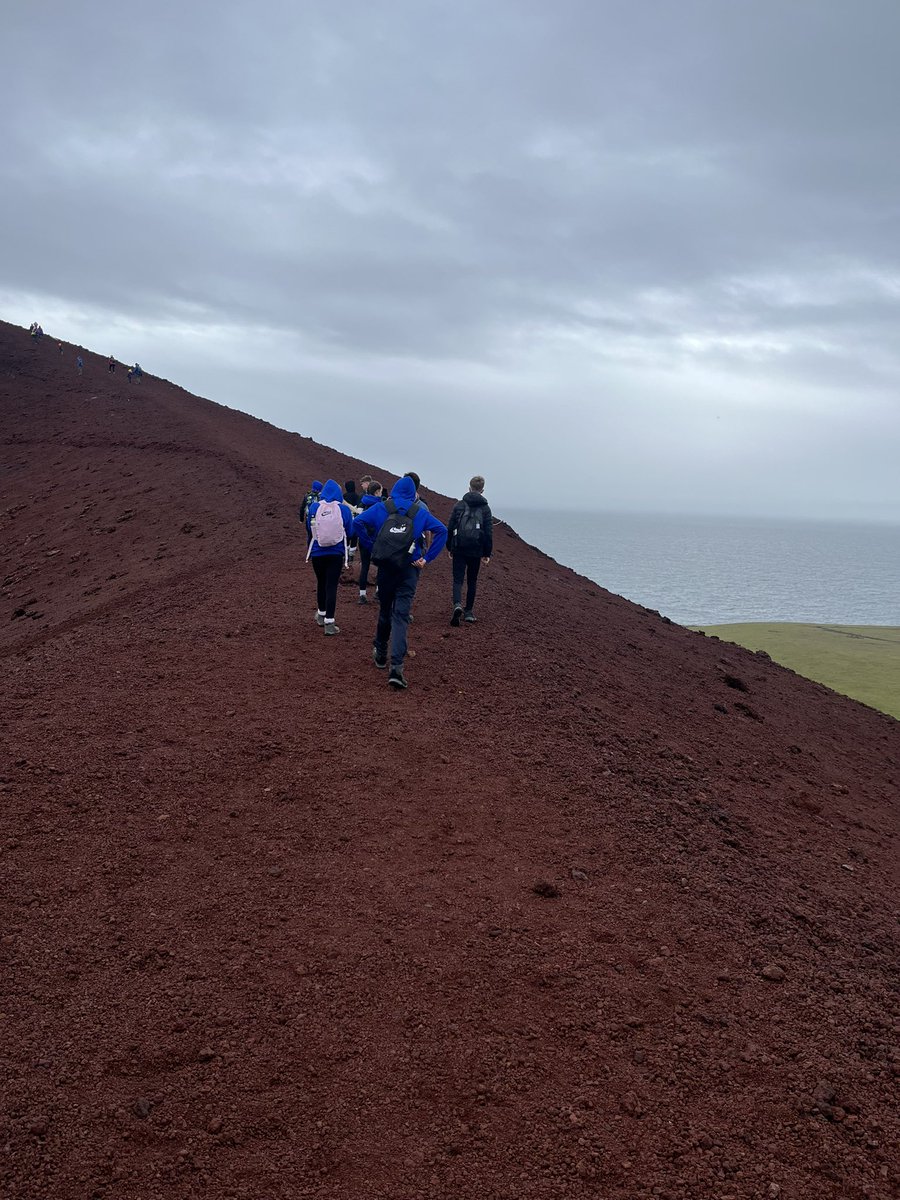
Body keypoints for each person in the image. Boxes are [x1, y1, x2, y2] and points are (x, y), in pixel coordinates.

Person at [353, 476, 447, 689]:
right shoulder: (419, 512)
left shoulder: (382, 508)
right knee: (401, 615)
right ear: (413, 494)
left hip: (386, 568)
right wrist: (427, 558)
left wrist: (372, 546)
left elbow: (357, 522)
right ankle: (396, 667)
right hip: (409, 569)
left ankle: (380, 653)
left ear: (394, 490)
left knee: (385, 610)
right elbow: (442, 531)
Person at [305, 480, 353, 635]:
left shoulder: (314, 507)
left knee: (321, 582)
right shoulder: (344, 509)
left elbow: (309, 529)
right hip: (336, 553)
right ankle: (330, 623)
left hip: (317, 552)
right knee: (331, 586)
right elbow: (350, 531)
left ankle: (321, 615)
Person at [447, 475, 493, 626]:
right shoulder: (485, 508)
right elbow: (488, 532)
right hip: (476, 550)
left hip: (459, 548)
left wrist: (450, 547)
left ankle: (457, 605)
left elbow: (451, 527)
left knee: (458, 579)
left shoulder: (459, 505)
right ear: (482, 490)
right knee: (472, 580)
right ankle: (468, 612)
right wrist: (486, 553)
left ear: (469, 488)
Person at [356, 480, 383, 604]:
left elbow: (357, 519)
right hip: (377, 540)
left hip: (363, 539)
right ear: (377, 492)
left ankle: (362, 595)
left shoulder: (362, 503)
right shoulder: (381, 505)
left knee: (365, 566)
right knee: (380, 567)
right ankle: (378, 592)